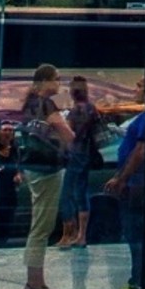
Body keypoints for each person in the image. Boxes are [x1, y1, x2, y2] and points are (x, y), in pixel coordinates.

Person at [17, 64, 74, 289]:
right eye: (56, 79)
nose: (59, 84)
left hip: (33, 168)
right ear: (43, 82)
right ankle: (34, 283)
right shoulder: (47, 105)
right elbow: (67, 134)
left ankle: (36, 282)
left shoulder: (29, 105)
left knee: (38, 226)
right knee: (41, 229)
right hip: (48, 170)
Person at [104, 94, 145, 289]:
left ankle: (139, 283)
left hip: (138, 184)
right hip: (136, 182)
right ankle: (142, 281)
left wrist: (122, 179)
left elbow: (140, 151)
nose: (136, 89)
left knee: (136, 234)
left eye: (140, 85)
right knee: (138, 234)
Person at [58, 77, 103, 251]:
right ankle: (82, 235)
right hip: (87, 156)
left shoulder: (75, 111)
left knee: (67, 195)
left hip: (75, 157)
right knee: (82, 193)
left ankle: (69, 233)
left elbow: (68, 136)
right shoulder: (93, 109)